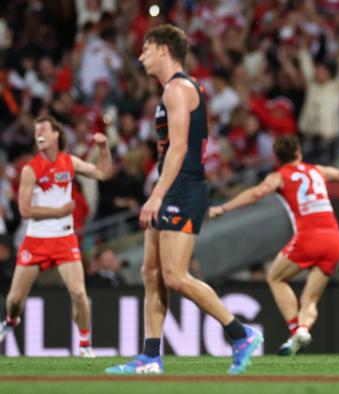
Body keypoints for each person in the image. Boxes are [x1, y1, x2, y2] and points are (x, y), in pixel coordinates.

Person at [106, 25, 261, 375]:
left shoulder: (177, 88)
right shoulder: (174, 89)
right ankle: (150, 356)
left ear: (163, 49)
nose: (141, 56)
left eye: (146, 49)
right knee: (151, 273)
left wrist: (156, 195)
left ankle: (240, 333)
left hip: (182, 188)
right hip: (173, 186)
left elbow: (177, 149)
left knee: (175, 276)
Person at [209, 135, 339, 356]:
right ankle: (302, 330)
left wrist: (223, 209)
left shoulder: (280, 175)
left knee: (275, 277)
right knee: (310, 299)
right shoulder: (316, 169)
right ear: (298, 152)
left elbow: (257, 192)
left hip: (308, 236)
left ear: (277, 157)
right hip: (334, 239)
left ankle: (293, 327)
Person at [0, 115, 113, 357]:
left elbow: (104, 174)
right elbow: (25, 210)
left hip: (64, 239)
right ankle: (10, 321)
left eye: (43, 129)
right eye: (36, 131)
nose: (38, 133)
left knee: (79, 293)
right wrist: (58, 212)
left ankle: (84, 344)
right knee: (14, 300)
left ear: (56, 135)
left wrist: (104, 148)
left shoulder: (69, 162)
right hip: (36, 240)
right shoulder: (31, 170)